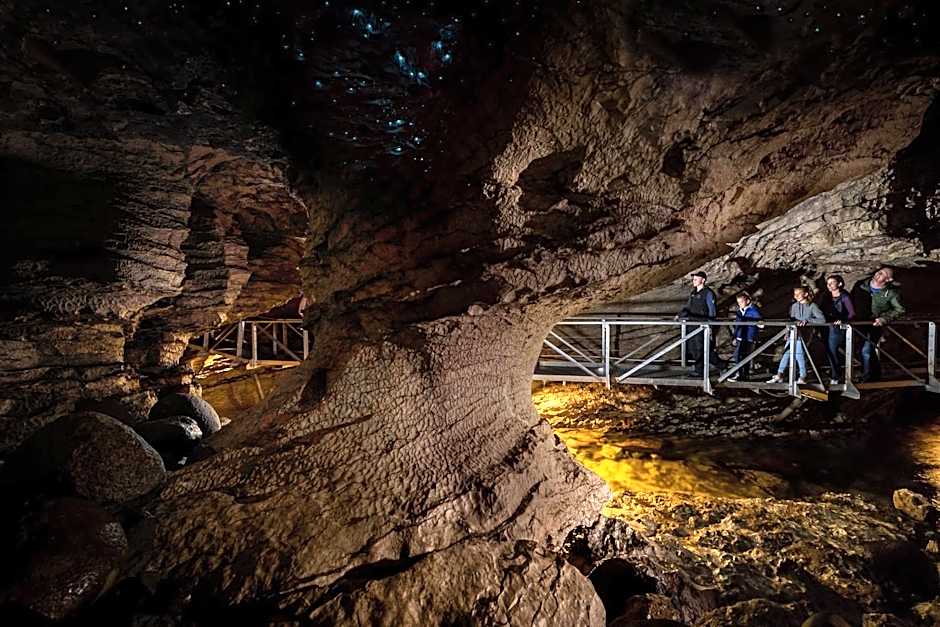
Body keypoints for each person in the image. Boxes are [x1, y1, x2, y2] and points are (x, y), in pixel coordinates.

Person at [851, 266, 905, 382]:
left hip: (875, 325)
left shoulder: (891, 293)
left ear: (888, 279)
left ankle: (866, 378)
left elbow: (899, 310)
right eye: (879, 272)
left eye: (882, 274)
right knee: (862, 350)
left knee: (866, 350)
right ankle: (875, 375)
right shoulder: (860, 285)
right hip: (858, 324)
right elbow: (851, 301)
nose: (878, 274)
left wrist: (884, 319)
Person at [767, 286, 826, 385]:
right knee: (786, 354)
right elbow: (791, 321)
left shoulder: (812, 306)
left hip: (804, 335)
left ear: (806, 294)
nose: (796, 296)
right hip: (792, 334)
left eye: (799, 293)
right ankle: (779, 375)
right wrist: (787, 332)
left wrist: (808, 321)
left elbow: (822, 320)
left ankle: (803, 376)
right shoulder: (794, 306)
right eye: (795, 294)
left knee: (799, 355)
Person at [676, 270, 723, 375]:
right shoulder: (693, 293)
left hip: (702, 324)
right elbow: (688, 307)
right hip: (692, 324)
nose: (694, 280)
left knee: (701, 347)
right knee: (695, 348)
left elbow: (712, 310)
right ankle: (717, 366)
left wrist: (710, 324)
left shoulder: (708, 293)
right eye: (693, 279)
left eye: (696, 279)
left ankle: (704, 369)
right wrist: (680, 315)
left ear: (703, 280)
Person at [821, 274, 855, 385]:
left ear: (839, 284)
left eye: (832, 283)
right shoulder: (826, 296)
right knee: (829, 351)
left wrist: (842, 319)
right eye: (827, 283)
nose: (829, 285)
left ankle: (836, 376)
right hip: (826, 327)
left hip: (838, 328)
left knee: (832, 350)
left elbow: (851, 313)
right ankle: (835, 373)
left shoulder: (845, 296)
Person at [729, 292, 762, 381]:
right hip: (741, 336)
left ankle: (742, 375)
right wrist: (735, 336)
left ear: (747, 301)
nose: (740, 304)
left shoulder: (753, 310)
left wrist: (758, 324)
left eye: (741, 302)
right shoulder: (740, 311)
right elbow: (737, 325)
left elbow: (760, 322)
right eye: (738, 302)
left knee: (742, 356)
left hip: (749, 337)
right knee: (739, 355)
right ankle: (742, 374)